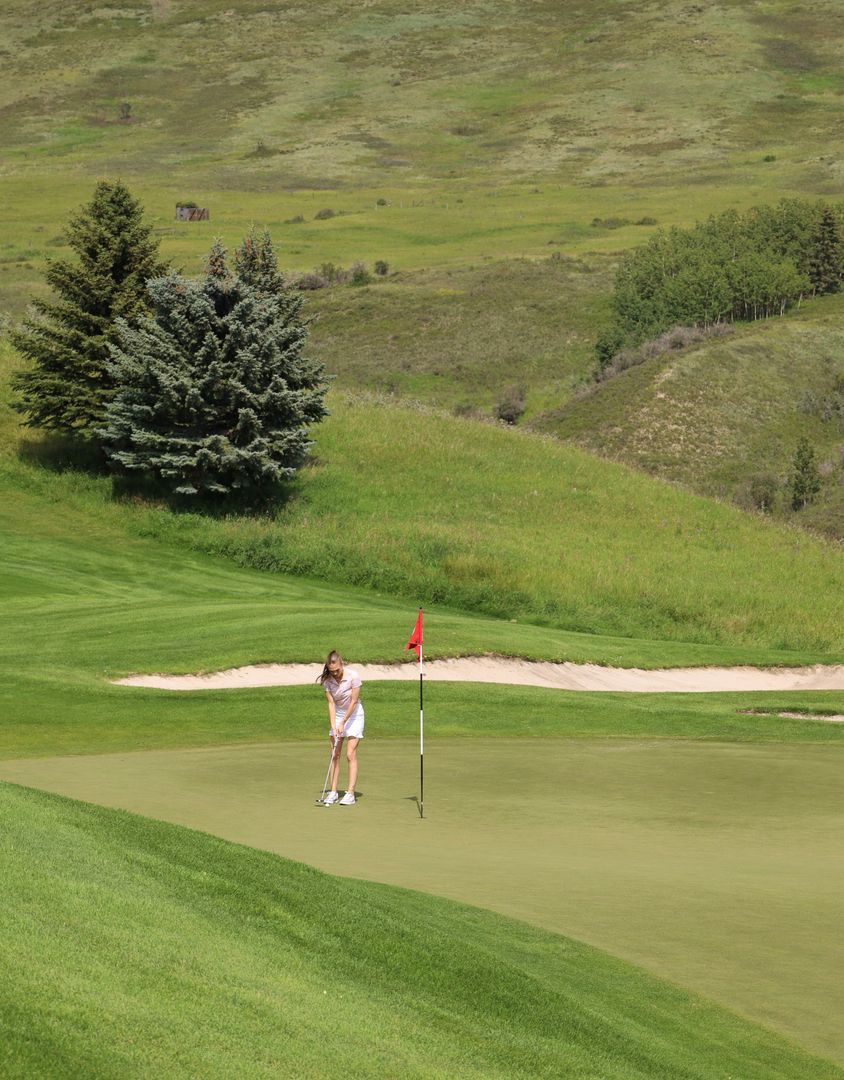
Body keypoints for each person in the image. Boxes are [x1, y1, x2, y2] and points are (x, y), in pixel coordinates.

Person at [317, 650, 364, 806]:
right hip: (338, 715)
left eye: (337, 670)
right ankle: (333, 792)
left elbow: (354, 702)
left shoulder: (353, 676)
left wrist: (343, 721)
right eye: (332, 671)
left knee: (350, 754)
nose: (335, 673)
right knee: (334, 754)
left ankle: (350, 794)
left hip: (355, 715)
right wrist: (334, 725)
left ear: (342, 663)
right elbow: (331, 704)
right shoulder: (327, 681)